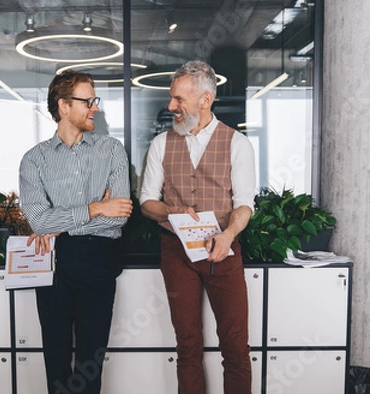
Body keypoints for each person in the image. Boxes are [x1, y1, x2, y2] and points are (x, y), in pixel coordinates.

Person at [139, 60, 256, 394]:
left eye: (179, 99)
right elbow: (147, 201)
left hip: (223, 250)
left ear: (205, 100)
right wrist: (174, 211)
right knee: (187, 345)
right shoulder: (162, 144)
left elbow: (244, 203)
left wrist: (228, 236)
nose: (171, 106)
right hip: (176, 253)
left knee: (235, 346)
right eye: (172, 99)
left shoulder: (237, 143)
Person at [19, 69, 132, 394]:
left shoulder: (111, 150)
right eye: (88, 101)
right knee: (55, 362)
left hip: (99, 261)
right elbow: (39, 222)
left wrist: (59, 223)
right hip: (53, 263)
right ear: (64, 105)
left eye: (95, 100)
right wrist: (96, 208)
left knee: (89, 366)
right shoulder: (34, 160)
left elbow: (119, 216)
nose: (95, 107)